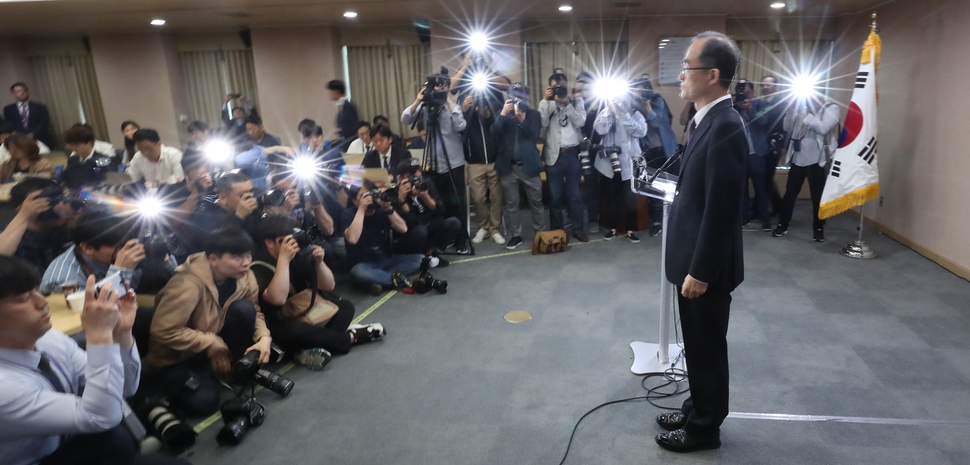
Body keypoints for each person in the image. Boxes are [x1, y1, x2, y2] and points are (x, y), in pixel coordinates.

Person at [0, 256, 190, 465]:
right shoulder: (4, 388)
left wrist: (122, 333)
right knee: (113, 440)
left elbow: (125, 387)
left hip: (70, 446)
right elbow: (100, 417)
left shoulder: (48, 339)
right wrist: (99, 335)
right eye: (23, 299)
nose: (43, 302)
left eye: (37, 291)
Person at [656, 31, 747, 453]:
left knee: (707, 348)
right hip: (692, 257)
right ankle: (697, 406)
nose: (680, 76)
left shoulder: (726, 125)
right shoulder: (706, 118)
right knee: (695, 344)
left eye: (687, 68)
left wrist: (701, 270)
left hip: (704, 267)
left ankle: (704, 429)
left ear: (712, 74)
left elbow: (723, 209)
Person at [146, 229, 272, 416]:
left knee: (245, 309)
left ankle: (229, 370)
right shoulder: (186, 284)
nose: (246, 262)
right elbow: (163, 331)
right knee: (204, 403)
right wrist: (210, 342)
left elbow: (255, 312)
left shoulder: (244, 275)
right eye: (237, 257)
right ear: (213, 259)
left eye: (248, 255)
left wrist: (264, 337)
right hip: (179, 356)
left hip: (212, 338)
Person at [250, 215, 385, 369]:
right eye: (286, 240)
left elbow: (328, 285)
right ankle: (350, 337)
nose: (293, 243)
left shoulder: (298, 255)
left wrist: (319, 263)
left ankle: (303, 350)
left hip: (305, 310)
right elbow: (277, 299)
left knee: (345, 307)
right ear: (269, 242)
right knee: (297, 332)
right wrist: (284, 260)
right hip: (280, 322)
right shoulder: (258, 266)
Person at [401, 73, 470, 253]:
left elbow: (461, 126)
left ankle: (461, 239)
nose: (440, 89)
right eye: (437, 86)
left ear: (448, 88)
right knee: (438, 204)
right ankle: (444, 237)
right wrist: (418, 101)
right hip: (432, 164)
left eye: (444, 86)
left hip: (453, 164)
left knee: (457, 203)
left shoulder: (453, 107)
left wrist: (447, 102)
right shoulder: (425, 107)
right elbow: (405, 119)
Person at [773, 97, 840, 242]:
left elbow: (824, 128)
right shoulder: (800, 107)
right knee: (790, 194)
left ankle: (818, 228)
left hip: (818, 160)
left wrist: (808, 114)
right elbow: (787, 127)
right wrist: (791, 111)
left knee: (817, 197)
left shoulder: (831, 108)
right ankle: (782, 224)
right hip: (798, 158)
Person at [341, 183, 424, 295]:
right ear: (355, 201)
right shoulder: (348, 214)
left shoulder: (381, 211)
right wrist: (361, 209)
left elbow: (403, 228)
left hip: (387, 261)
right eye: (364, 196)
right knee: (359, 273)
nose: (369, 198)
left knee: (421, 259)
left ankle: (377, 283)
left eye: (371, 194)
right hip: (363, 265)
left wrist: (388, 208)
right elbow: (352, 239)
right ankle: (406, 280)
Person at [39, 209, 147, 294]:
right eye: (119, 246)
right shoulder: (64, 280)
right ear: (87, 248)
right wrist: (121, 270)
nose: (126, 250)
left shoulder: (95, 252)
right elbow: (97, 313)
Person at [493, 84, 544, 250]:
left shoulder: (534, 114)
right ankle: (516, 235)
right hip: (509, 168)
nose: (517, 98)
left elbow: (534, 134)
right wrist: (503, 114)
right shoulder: (504, 115)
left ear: (526, 98)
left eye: (521, 95)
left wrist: (522, 118)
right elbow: (493, 133)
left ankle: (540, 233)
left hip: (529, 166)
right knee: (512, 204)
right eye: (514, 95)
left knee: (536, 202)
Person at [539, 69, 588, 242]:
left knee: (575, 195)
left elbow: (581, 121)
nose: (559, 90)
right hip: (554, 156)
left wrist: (567, 104)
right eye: (555, 88)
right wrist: (547, 100)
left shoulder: (576, 100)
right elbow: (543, 122)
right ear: (550, 88)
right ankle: (557, 231)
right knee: (555, 196)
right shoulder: (546, 103)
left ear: (567, 86)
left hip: (573, 154)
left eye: (562, 86)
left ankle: (578, 229)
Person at [593, 90, 647, 243]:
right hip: (611, 162)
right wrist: (610, 112)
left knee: (631, 198)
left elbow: (641, 132)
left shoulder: (636, 115)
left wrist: (624, 115)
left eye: (625, 100)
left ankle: (631, 230)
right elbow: (600, 129)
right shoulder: (607, 112)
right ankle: (612, 228)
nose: (621, 103)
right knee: (612, 197)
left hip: (630, 163)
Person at [633, 74, 680, 237]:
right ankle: (657, 222)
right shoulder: (632, 105)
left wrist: (646, 103)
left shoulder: (657, 100)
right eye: (637, 91)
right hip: (649, 152)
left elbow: (655, 122)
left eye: (643, 91)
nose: (641, 94)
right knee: (654, 188)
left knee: (672, 187)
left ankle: (675, 220)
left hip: (667, 150)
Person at [459, 85, 504, 245]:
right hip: (474, 162)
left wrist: (487, 114)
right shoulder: (464, 102)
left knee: (497, 197)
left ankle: (495, 228)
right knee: (478, 198)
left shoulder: (494, 99)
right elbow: (460, 128)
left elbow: (499, 127)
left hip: (494, 160)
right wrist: (465, 109)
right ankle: (484, 226)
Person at [0, 179, 76, 271]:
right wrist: (24, 216)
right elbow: (2, 256)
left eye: (58, 199)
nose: (58, 206)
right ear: (20, 208)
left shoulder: (60, 229)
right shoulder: (8, 234)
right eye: (48, 201)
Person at [392, 158, 459, 262]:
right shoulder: (395, 193)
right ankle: (416, 260)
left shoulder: (425, 184)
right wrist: (402, 200)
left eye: (418, 174)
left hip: (427, 228)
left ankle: (431, 253)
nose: (416, 180)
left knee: (453, 223)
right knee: (420, 230)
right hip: (409, 235)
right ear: (401, 179)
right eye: (411, 177)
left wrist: (425, 196)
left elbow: (441, 211)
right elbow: (410, 223)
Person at [180, 171, 260, 257]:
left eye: (251, 192)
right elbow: (218, 247)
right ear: (223, 197)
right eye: (242, 195)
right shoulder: (203, 214)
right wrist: (239, 217)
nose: (249, 198)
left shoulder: (251, 210)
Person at [733, 81, 773, 232]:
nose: (745, 95)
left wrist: (750, 108)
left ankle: (765, 218)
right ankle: (744, 216)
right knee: (742, 188)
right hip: (740, 154)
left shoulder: (761, 104)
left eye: (748, 92)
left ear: (753, 91)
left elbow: (763, 121)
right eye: (742, 93)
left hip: (757, 153)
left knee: (760, 188)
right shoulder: (734, 107)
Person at [61, 124, 118, 189]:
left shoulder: (103, 160)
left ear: (89, 144)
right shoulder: (73, 160)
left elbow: (110, 181)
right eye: (70, 145)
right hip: (78, 193)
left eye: (76, 145)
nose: (72, 148)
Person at [3, 82, 53, 148]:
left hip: (40, 139)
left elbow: (44, 123)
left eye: (24, 90)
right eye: (18, 91)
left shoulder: (39, 106)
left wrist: (32, 134)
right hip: (19, 141)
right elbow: (9, 125)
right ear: (13, 93)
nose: (22, 92)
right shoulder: (8, 109)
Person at [327, 80, 358, 149]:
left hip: (349, 144)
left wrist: (339, 130)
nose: (330, 94)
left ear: (336, 91)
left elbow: (353, 127)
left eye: (331, 91)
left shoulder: (348, 107)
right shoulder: (343, 106)